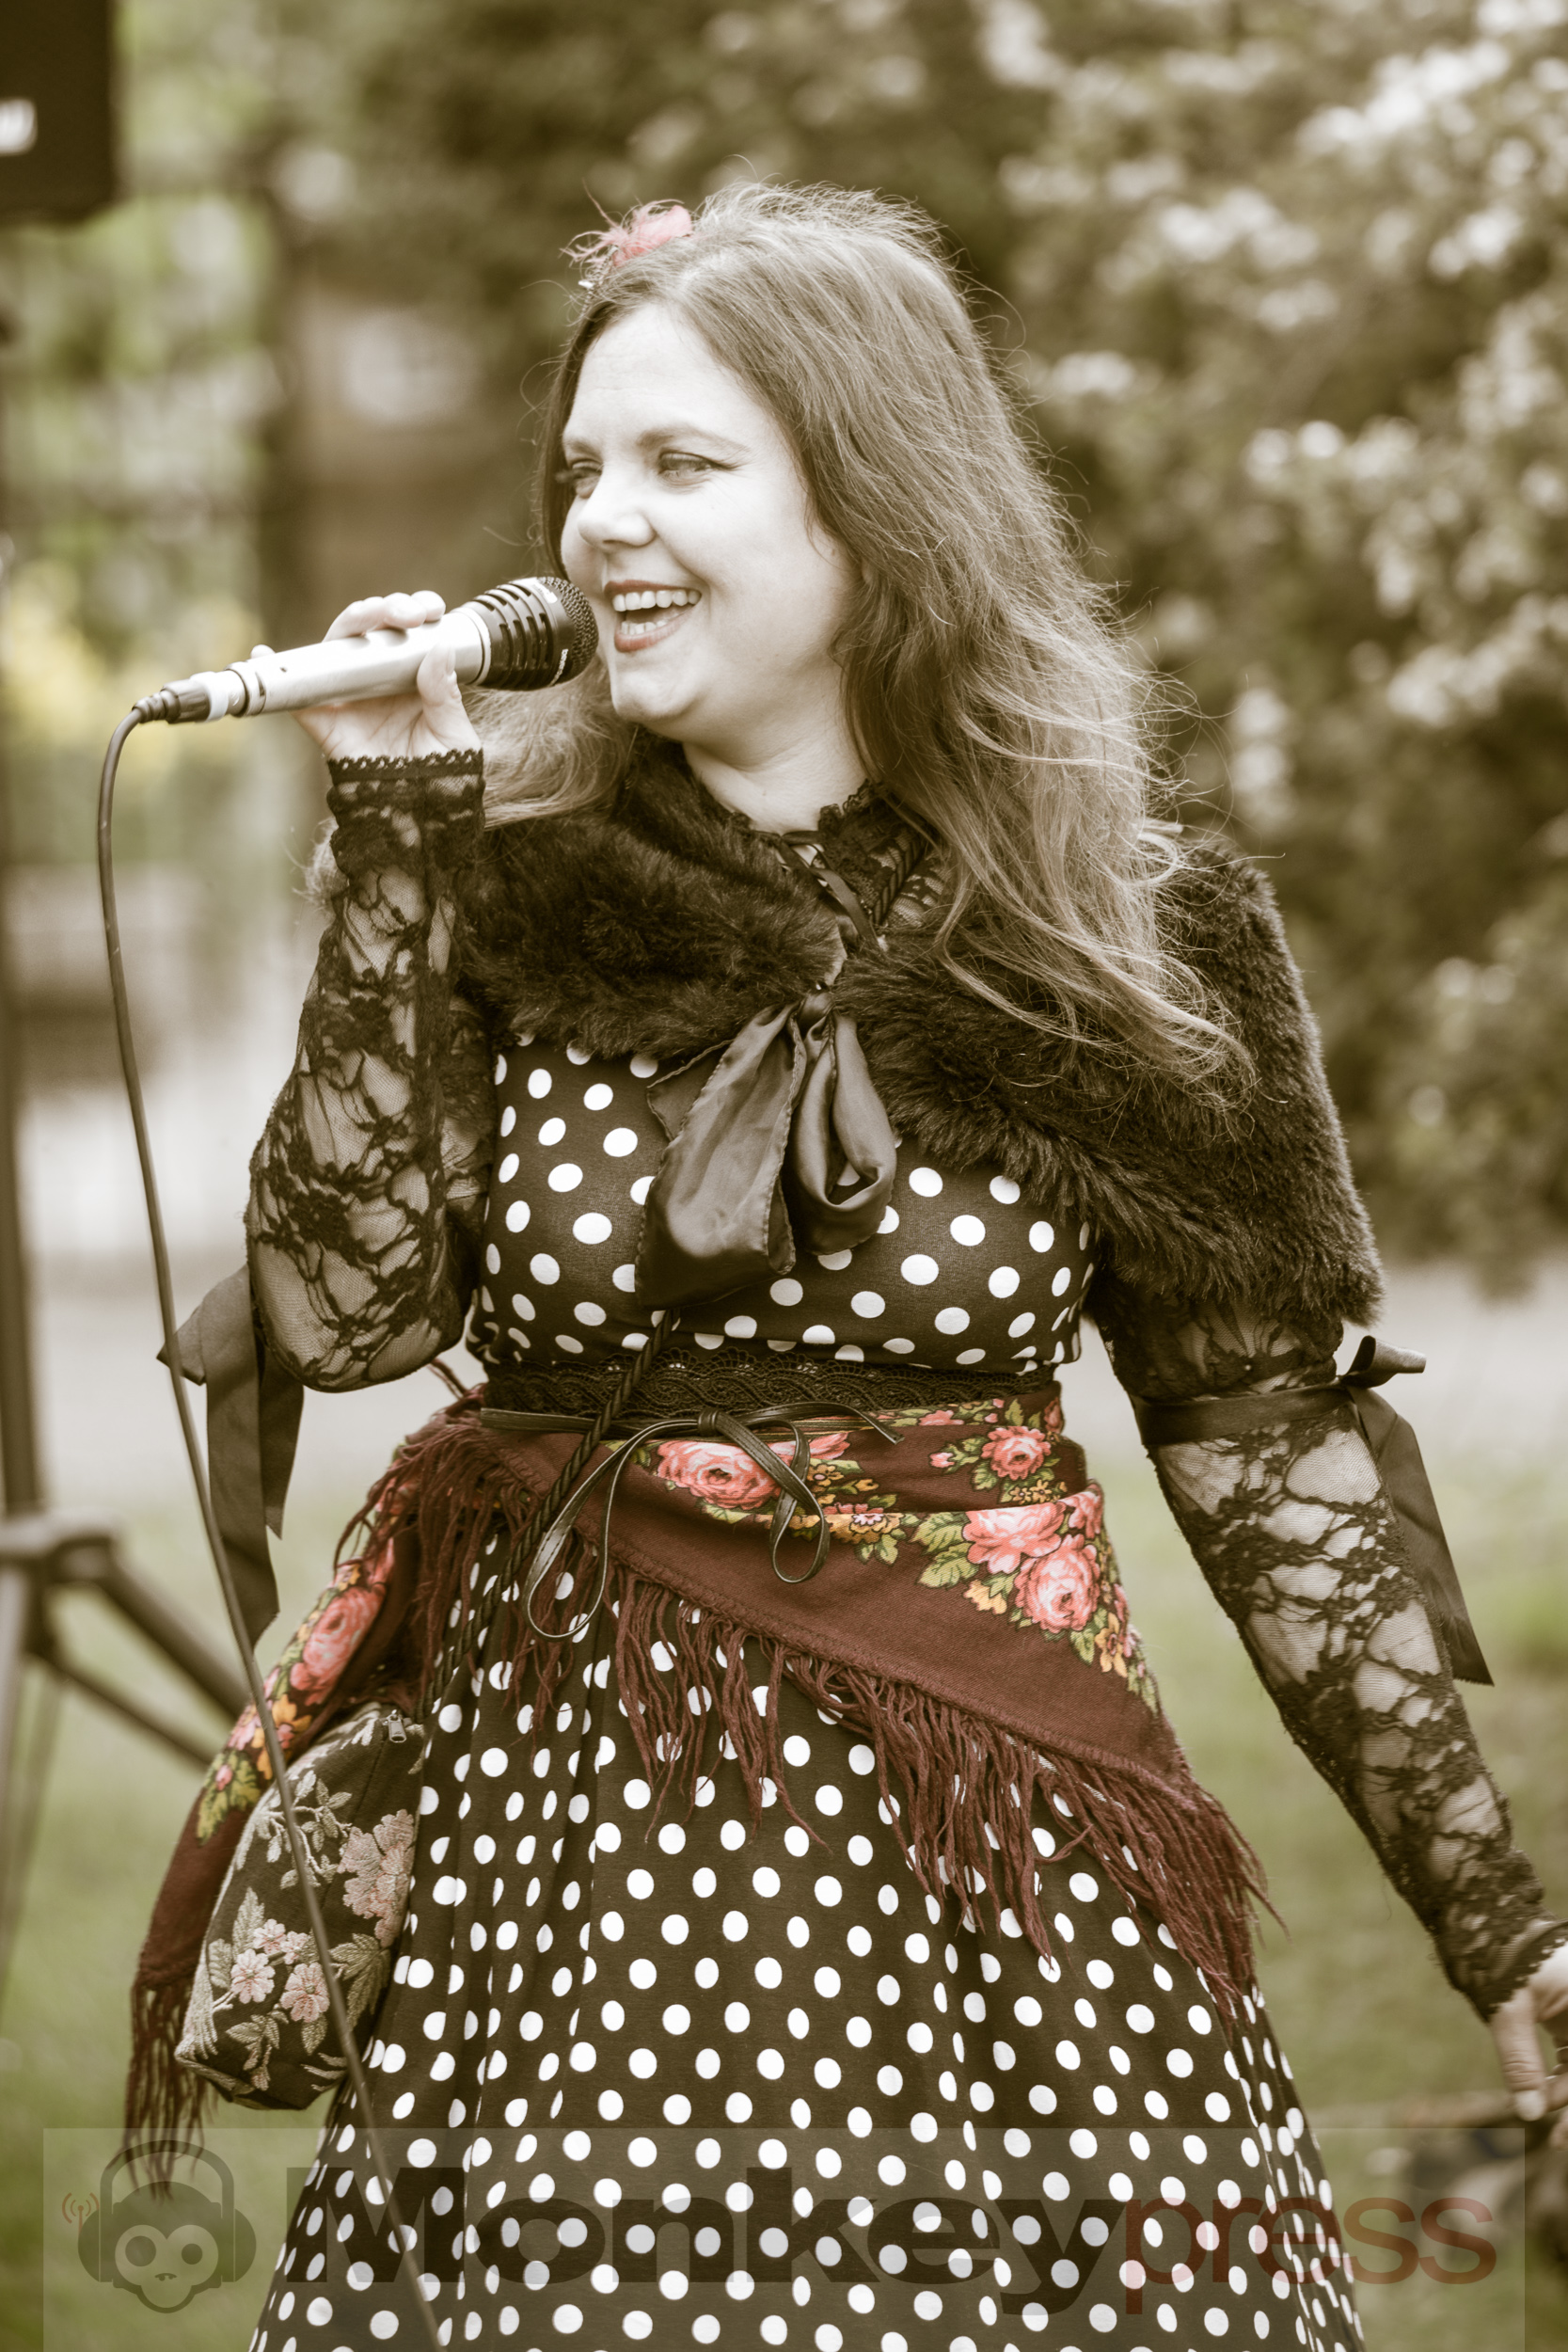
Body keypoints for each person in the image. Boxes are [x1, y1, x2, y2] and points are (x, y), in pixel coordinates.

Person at [142, 184, 1566, 2351]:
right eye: (584, 467)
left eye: (683, 461)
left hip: (1010, 1874)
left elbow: (1271, 1466)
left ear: (876, 504)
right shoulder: (512, 885)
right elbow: (346, 1312)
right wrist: (398, 823)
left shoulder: (1133, 934)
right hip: (580, 1890)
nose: (602, 521)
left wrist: (1501, 1923)